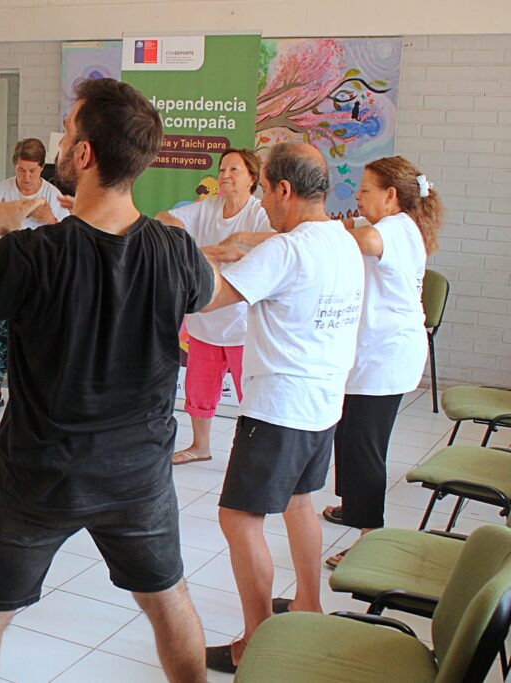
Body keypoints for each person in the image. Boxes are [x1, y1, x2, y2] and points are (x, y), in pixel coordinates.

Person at [0, 77, 214, 683]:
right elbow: (210, 294)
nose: (60, 146)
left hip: (39, 480)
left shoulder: (31, 254)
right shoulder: (177, 251)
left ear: (86, 154)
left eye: (67, 135)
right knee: (169, 599)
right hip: (138, 476)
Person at [200, 142, 364, 673]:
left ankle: (255, 642)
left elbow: (209, 298)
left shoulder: (285, 252)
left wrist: (187, 257)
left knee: (238, 519)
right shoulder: (341, 240)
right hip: (323, 403)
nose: (263, 202)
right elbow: (279, 253)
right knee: (299, 501)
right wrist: (245, 247)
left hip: (279, 408)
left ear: (284, 190)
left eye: (265, 190)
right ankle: (308, 605)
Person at [320, 157, 444, 567]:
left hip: (387, 356)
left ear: (390, 196)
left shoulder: (395, 229)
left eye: (365, 189)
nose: (357, 195)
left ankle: (370, 533)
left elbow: (361, 241)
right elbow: (345, 229)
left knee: (364, 445)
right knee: (348, 435)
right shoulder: (386, 223)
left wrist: (311, 237)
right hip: (372, 353)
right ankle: (353, 508)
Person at [154, 149, 271, 465]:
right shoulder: (209, 207)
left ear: (252, 178)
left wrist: (240, 247)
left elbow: (279, 244)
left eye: (234, 170)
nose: (225, 175)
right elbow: (164, 217)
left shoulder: (259, 213)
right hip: (206, 319)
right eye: (222, 169)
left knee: (251, 395)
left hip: (243, 324)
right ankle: (200, 446)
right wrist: (187, 241)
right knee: (199, 389)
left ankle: (255, 454)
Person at [0, 138, 70, 414]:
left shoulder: (53, 195)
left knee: (37, 336)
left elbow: (69, 240)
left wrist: (50, 220)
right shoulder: (0, 191)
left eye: (32, 171)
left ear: (41, 168)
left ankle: (34, 395)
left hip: (40, 277)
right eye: (20, 170)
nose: (26, 177)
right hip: (5, 272)